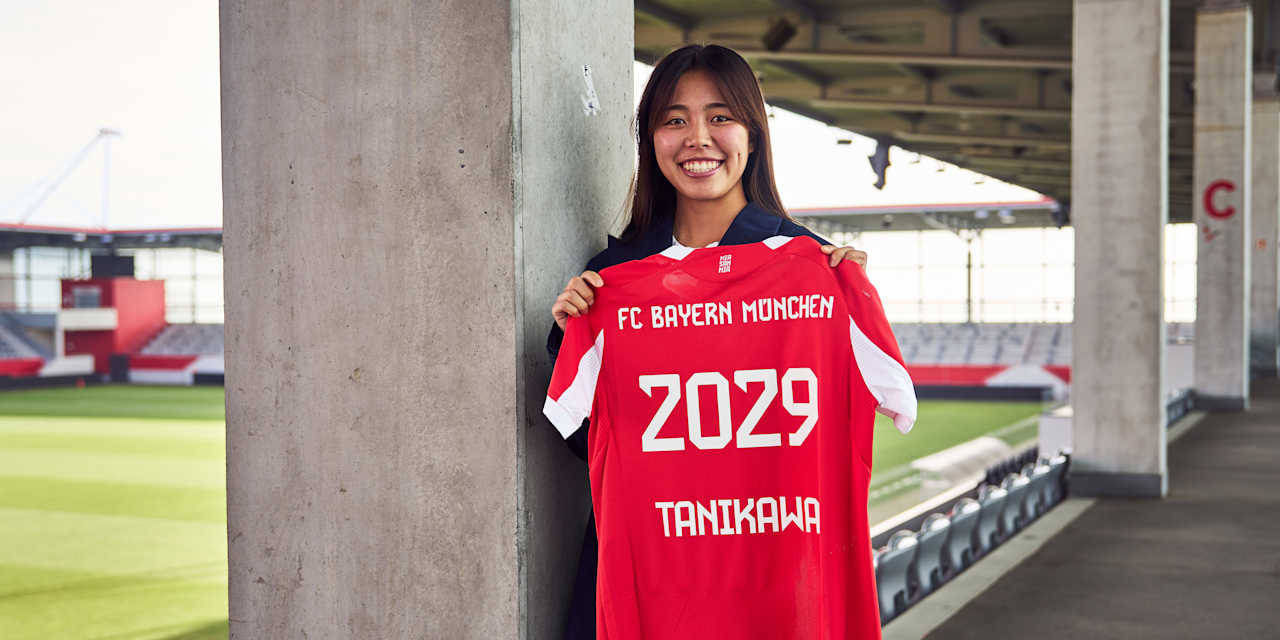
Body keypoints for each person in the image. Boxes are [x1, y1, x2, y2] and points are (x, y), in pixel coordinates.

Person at [545, 43, 870, 640]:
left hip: (775, 582)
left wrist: (846, 297)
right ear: (651, 141)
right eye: (675, 120)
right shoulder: (612, 281)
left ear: (753, 134)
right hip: (650, 582)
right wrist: (569, 335)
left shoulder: (814, 271)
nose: (697, 138)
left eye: (720, 116)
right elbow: (590, 445)